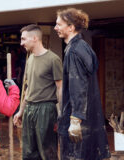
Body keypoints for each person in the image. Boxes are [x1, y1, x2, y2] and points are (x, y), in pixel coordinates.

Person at [54, 8, 111, 160]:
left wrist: (75, 120)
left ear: (71, 27)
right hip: (89, 118)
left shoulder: (74, 51)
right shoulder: (83, 47)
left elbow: (78, 86)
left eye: (59, 24)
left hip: (78, 120)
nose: (55, 28)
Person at [13, 24, 62, 160]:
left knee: (47, 152)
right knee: (29, 152)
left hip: (46, 109)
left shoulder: (53, 59)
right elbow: (29, 89)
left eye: (23, 39)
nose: (21, 43)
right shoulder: (30, 59)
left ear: (34, 38)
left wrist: (61, 114)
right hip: (30, 108)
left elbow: (60, 88)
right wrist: (21, 111)